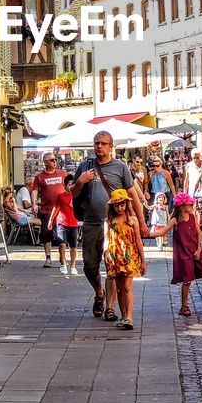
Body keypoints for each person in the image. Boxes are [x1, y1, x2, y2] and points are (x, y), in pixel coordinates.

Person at [70, 131, 147, 319]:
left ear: (111, 146)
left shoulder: (120, 167)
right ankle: (99, 292)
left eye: (104, 143)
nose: (99, 146)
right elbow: (72, 192)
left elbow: (133, 196)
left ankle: (110, 307)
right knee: (89, 266)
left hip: (115, 226)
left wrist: (142, 222)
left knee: (113, 267)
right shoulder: (85, 166)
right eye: (96, 143)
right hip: (92, 223)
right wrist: (81, 181)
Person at [150, 193, 202, 317]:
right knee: (187, 280)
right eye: (190, 204)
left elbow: (198, 232)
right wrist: (145, 234)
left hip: (197, 250)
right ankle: (184, 306)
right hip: (185, 253)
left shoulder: (192, 217)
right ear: (182, 206)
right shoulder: (175, 220)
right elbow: (162, 231)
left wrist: (199, 248)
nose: (192, 206)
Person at [102, 188, 145, 330]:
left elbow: (138, 240)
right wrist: (106, 252)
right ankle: (124, 315)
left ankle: (129, 317)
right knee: (120, 288)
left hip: (129, 256)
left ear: (127, 204)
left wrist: (143, 260)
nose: (120, 208)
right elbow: (106, 240)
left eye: (122, 204)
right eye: (117, 205)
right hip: (116, 256)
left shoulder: (132, 220)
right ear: (112, 207)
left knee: (127, 286)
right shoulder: (109, 221)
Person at [30, 153, 67, 268]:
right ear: (45, 162)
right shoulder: (40, 177)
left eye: (55, 160)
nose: (54, 162)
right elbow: (35, 191)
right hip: (47, 210)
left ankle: (62, 257)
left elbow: (69, 187)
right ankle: (48, 257)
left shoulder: (62, 173)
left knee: (62, 234)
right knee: (46, 233)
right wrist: (34, 203)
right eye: (51, 160)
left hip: (61, 209)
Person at [48, 183, 80, 278]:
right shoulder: (61, 196)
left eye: (73, 184)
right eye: (69, 184)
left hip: (73, 223)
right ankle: (63, 264)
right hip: (61, 222)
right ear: (65, 186)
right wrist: (51, 220)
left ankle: (73, 266)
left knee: (73, 247)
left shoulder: (77, 196)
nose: (71, 187)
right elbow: (56, 207)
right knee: (62, 244)